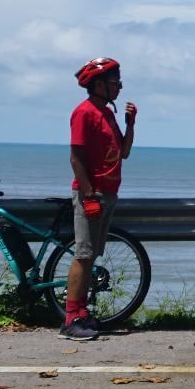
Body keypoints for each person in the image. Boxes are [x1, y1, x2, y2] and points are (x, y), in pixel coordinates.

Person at [66, 57, 135, 341]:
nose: (119, 87)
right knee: (83, 255)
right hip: (92, 193)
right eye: (114, 82)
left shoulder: (107, 113)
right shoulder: (84, 113)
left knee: (91, 253)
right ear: (98, 85)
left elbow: (124, 152)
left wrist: (130, 124)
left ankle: (82, 313)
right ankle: (71, 319)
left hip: (109, 192)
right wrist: (88, 193)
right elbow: (76, 156)